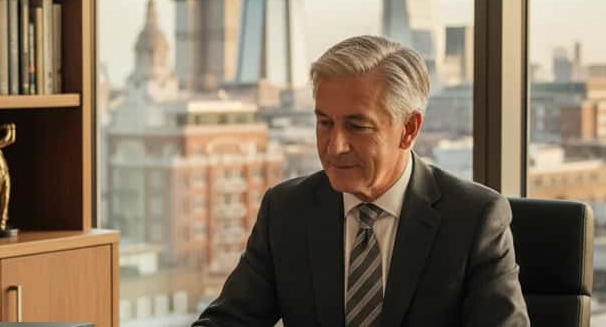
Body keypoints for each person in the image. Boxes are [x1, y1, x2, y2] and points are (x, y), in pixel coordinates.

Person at [194, 36, 529, 326]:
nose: (335, 146)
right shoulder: (286, 210)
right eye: (325, 123)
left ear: (408, 129)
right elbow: (228, 321)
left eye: (357, 127)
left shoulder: (474, 218)